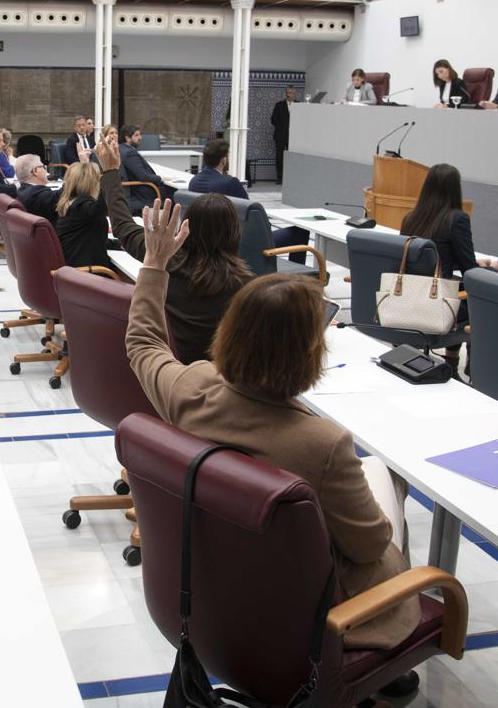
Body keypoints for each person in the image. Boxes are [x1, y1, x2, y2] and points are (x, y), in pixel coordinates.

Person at [125, 198, 419, 655]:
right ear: (310, 355)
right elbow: (368, 546)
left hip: (209, 594)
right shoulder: (324, 445)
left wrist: (156, 262)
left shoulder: (189, 388)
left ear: (231, 334)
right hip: (306, 621)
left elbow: (143, 339)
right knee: (385, 477)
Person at [98, 141, 252, 362]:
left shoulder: (164, 260)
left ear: (186, 227)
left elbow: (123, 226)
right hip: (219, 381)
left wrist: (111, 172)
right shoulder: (246, 285)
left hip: (166, 369)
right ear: (235, 232)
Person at [400, 163, 498, 373]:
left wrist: (470, 263)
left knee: (459, 290)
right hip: (439, 306)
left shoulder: (410, 218)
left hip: (411, 300)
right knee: (482, 297)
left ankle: (452, 362)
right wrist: (492, 270)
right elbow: (470, 271)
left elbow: (428, 256)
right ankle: (472, 369)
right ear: (455, 189)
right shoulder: (457, 219)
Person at [188, 139, 310, 263]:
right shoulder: (230, 183)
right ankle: (301, 278)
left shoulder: (194, 182)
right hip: (238, 245)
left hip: (210, 243)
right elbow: (251, 216)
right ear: (224, 160)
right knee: (301, 232)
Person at [56, 161, 112, 271]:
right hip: (89, 273)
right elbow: (101, 206)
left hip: (74, 270)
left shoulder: (70, 204)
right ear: (93, 183)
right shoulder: (83, 206)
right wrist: (111, 172)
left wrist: (119, 244)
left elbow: (90, 238)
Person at [117, 124, 174, 214]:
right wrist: (160, 178)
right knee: (174, 191)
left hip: (136, 189)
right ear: (127, 138)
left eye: (140, 134)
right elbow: (143, 177)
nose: (140, 137)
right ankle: (171, 225)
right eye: (136, 135)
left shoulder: (122, 149)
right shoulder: (130, 153)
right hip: (145, 191)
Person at [14, 153, 61, 226]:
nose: (46, 171)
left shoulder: (21, 190)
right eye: (43, 167)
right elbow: (65, 193)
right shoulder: (38, 194)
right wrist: (83, 166)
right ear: (35, 171)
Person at [270, 85, 295, 182]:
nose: (288, 95)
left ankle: (291, 177)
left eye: (290, 93)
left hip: (294, 136)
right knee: (279, 157)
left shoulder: (299, 105)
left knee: (292, 157)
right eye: (287, 92)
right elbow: (273, 120)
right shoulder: (279, 105)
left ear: (294, 93)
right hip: (280, 135)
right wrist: (282, 125)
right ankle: (280, 177)